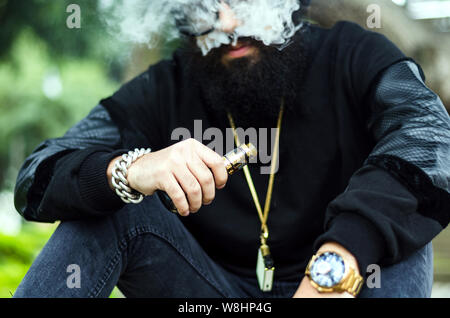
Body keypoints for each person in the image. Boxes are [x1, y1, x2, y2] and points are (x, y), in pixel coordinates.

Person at [13, 0, 450, 298]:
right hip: (212, 294)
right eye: (206, 4)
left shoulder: (353, 53)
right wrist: (132, 170)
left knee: (401, 218)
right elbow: (36, 175)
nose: (225, 23)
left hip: (341, 283)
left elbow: (433, 136)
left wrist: (337, 263)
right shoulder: (165, 86)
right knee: (108, 205)